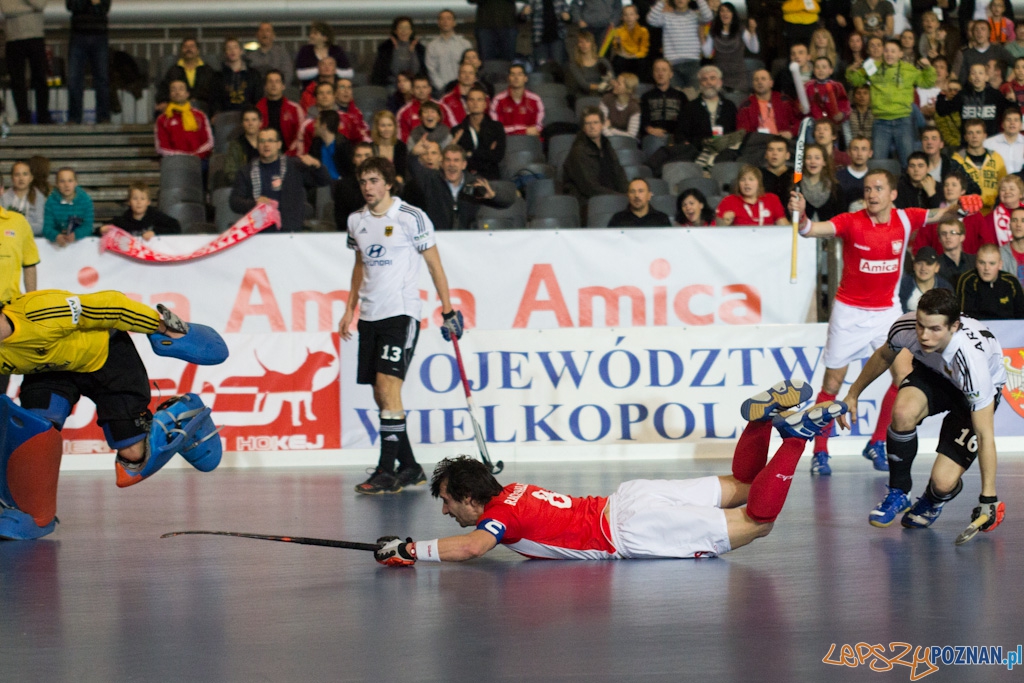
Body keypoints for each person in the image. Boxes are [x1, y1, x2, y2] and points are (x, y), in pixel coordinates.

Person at [371, 381, 849, 565]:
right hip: (627, 500)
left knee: (758, 520)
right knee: (743, 485)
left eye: (447, 501)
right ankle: (760, 420)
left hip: (629, 530)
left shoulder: (498, 518)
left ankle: (795, 436)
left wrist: (412, 549)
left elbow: (476, 545)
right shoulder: (514, 490)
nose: (445, 509)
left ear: (468, 497)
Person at [788, 168, 978, 475]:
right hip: (849, 312)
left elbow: (942, 213)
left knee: (903, 378)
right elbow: (812, 230)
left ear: (892, 194)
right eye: (867, 189)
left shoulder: (906, 218)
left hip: (886, 312)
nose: (871, 194)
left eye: (878, 188)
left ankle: (876, 442)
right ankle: (820, 450)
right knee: (832, 384)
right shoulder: (851, 221)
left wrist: (962, 209)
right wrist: (802, 216)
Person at [0, 290, 224, 539]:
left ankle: (181, 414)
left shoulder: (37, 311)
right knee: (33, 432)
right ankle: (33, 516)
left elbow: (113, 306)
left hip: (107, 358)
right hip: (49, 372)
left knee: (133, 458)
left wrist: (167, 328)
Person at [338, 156, 462, 494]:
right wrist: (350, 309)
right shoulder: (356, 221)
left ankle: (385, 470)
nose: (368, 187)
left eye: (374, 180)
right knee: (380, 394)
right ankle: (409, 467)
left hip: (401, 313)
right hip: (370, 315)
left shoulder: (410, 216)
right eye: (363, 181)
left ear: (389, 183)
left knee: (388, 387)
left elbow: (435, 266)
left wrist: (448, 310)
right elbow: (359, 265)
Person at [838, 288, 1007, 531]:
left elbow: (984, 435)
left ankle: (933, 500)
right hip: (934, 373)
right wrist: (853, 393)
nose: (924, 336)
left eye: (935, 329)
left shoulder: (972, 364)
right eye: (921, 326)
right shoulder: (906, 326)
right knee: (902, 412)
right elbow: (884, 356)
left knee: (943, 482)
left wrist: (988, 497)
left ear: (954, 327)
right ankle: (898, 492)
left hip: (971, 392)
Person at [847, 40, 936, 167]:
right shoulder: (873, 67)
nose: (889, 54)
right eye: (887, 51)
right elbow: (855, 81)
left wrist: (928, 68)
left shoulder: (908, 69)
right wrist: (852, 70)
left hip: (903, 120)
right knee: (878, 163)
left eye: (893, 51)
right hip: (880, 122)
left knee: (908, 162)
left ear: (900, 53)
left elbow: (927, 82)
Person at [229, 128, 330, 232]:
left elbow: (323, 181)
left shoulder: (295, 166)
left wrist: (317, 166)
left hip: (291, 232)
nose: (266, 145)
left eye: (270, 141)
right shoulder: (246, 171)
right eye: (262, 141)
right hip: (258, 232)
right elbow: (234, 202)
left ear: (279, 145)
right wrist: (254, 204)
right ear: (257, 145)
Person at [406, 143, 516, 231]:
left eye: (456, 160)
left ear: (464, 164)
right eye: (448, 160)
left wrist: (493, 195)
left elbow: (509, 200)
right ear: (442, 163)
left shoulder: (474, 183)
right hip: (438, 240)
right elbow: (414, 168)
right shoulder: (431, 180)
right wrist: (413, 154)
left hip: (466, 243)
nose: (452, 164)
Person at [563, 107, 629, 211]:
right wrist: (620, 196)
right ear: (583, 127)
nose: (592, 126)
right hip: (588, 203)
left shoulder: (606, 144)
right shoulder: (578, 151)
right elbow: (589, 187)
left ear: (602, 125)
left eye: (595, 122)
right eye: (588, 123)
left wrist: (629, 192)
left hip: (610, 197)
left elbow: (618, 172)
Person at [1, 0, 51, 124]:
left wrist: (20, 5)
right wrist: (31, 8)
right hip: (13, 38)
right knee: (17, 80)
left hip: (36, 36)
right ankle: (23, 116)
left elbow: (41, 5)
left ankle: (43, 116)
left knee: (40, 78)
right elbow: (7, 10)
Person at [646, 0, 714, 89]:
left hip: (692, 62)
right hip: (671, 64)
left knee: (693, 97)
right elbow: (651, 20)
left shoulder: (696, 15)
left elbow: (708, 17)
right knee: (675, 98)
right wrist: (661, 2)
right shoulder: (666, 16)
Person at [937, 62, 1012, 138]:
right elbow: (942, 111)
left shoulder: (995, 95)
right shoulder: (962, 95)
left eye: (980, 73)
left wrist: (1012, 101)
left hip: (990, 142)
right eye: (973, 73)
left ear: (986, 77)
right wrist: (942, 94)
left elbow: (1010, 112)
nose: (977, 76)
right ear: (969, 77)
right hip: (968, 142)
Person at [66, 0, 111, 124]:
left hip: (99, 35)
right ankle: (74, 117)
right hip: (78, 34)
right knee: (74, 79)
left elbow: (104, 8)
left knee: (102, 79)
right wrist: (91, 2)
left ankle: (103, 117)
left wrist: (90, 4)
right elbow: (71, 6)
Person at [953, 118, 1007, 213]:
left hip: (993, 212)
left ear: (985, 136)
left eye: (978, 132)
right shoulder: (957, 160)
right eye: (970, 133)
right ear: (965, 137)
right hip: (967, 212)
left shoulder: (997, 158)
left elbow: (1004, 184)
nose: (974, 136)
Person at [702, 3, 759, 94]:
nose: (725, 14)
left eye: (728, 11)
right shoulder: (714, 30)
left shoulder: (740, 29)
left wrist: (752, 32)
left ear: (733, 14)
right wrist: (702, 37)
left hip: (739, 77)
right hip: (719, 78)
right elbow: (706, 53)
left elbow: (754, 49)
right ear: (719, 14)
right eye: (722, 11)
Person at [451, 86, 506, 180]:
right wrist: (487, 152)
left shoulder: (497, 127)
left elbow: (497, 156)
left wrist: (469, 153)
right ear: (466, 104)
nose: (475, 103)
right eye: (471, 100)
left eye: (479, 100)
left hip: (491, 176)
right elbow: (460, 158)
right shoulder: (457, 130)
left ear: (485, 104)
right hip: (465, 177)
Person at [957, 242, 1024, 317]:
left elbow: (1021, 315)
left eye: (992, 263)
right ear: (976, 263)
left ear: (1000, 265)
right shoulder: (968, 280)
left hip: (1010, 327)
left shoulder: (1011, 282)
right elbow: (964, 317)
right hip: (978, 327)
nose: (986, 268)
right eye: (982, 263)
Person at [154, 80, 214, 160]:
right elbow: (161, 147)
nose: (177, 92)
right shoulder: (162, 119)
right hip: (174, 162)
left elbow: (208, 142)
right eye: (173, 89)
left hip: (199, 160)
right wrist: (181, 157)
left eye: (181, 89)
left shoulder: (200, 116)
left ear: (187, 94)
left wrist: (194, 156)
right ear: (170, 95)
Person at [100, 182, 181, 239]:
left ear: (148, 202)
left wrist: (155, 232)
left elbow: (176, 227)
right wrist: (102, 230)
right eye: (135, 198)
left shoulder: (156, 216)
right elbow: (100, 230)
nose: (139, 202)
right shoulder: (123, 220)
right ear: (129, 202)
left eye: (142, 199)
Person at [737, 70, 802, 140]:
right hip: (758, 144)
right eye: (756, 80)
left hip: (782, 142)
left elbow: (798, 122)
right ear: (753, 84)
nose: (759, 82)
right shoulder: (746, 106)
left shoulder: (784, 100)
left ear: (771, 83)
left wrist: (791, 133)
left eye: (763, 79)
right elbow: (742, 131)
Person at [157, 38, 215, 114]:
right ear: (181, 50)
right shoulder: (173, 70)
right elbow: (164, 89)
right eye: (185, 47)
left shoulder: (207, 70)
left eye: (192, 46)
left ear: (198, 51)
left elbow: (213, 91)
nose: (188, 49)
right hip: (178, 106)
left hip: (203, 107)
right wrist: (163, 101)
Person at [717, 165, 788, 227]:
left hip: (767, 240)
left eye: (751, 179)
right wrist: (724, 222)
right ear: (738, 183)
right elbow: (716, 227)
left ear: (759, 183)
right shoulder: (729, 201)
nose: (747, 183)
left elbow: (784, 227)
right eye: (742, 180)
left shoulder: (772, 199)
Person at [919, 125, 981, 194]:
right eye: (925, 139)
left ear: (941, 144)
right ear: (922, 144)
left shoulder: (953, 166)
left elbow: (975, 189)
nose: (929, 142)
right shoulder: (914, 166)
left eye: (934, 138)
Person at [256, 70, 305, 155]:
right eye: (270, 81)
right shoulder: (257, 109)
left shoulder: (294, 109)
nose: (273, 85)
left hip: (290, 155)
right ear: (265, 86)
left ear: (283, 86)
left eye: (277, 81)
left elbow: (300, 135)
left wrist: (289, 154)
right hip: (263, 154)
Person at [398, 75, 457, 143]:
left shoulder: (442, 107)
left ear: (430, 89)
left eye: (424, 87)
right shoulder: (404, 112)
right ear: (412, 90)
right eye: (418, 88)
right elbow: (403, 139)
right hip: (416, 149)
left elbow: (451, 130)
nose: (421, 91)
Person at [640, 59, 689, 140]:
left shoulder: (681, 96)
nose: (660, 74)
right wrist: (650, 129)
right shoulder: (646, 97)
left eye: (664, 70)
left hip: (675, 138)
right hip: (652, 136)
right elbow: (643, 120)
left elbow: (686, 121)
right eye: (657, 70)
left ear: (671, 74)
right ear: (653, 74)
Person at [490, 65, 545, 137]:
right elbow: (497, 129)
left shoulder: (536, 100)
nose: (516, 78)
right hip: (506, 141)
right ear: (508, 78)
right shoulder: (498, 100)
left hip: (530, 142)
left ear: (525, 78)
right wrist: (524, 131)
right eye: (513, 75)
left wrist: (514, 130)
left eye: (520, 74)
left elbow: (538, 128)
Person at [294, 22, 353, 89]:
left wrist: (332, 70)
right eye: (311, 33)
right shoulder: (305, 50)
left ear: (325, 37)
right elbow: (300, 74)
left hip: (335, 89)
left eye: (315, 33)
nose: (311, 36)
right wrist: (322, 70)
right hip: (310, 90)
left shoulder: (336, 50)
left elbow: (349, 73)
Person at [425, 10, 473, 92]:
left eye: (448, 18)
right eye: (442, 19)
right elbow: (431, 70)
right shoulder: (431, 46)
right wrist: (442, 87)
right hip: (440, 90)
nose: (445, 21)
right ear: (438, 23)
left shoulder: (465, 44)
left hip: (463, 89)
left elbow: (470, 66)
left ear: (454, 22)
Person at [371, 16, 427, 87]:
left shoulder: (419, 49)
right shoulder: (386, 48)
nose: (404, 31)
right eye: (400, 28)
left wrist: (412, 52)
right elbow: (395, 71)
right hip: (392, 85)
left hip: (413, 86)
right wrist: (396, 51)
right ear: (395, 31)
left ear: (411, 31)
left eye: (406, 28)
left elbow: (415, 72)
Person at [43, 168, 93, 246]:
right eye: (62, 181)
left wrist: (76, 235)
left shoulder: (86, 200)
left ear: (76, 183)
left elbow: (88, 226)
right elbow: (47, 227)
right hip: (56, 245)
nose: (66, 185)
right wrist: (56, 236)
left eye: (70, 181)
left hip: (81, 244)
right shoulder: (50, 202)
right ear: (56, 184)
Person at [300, 110, 353, 183]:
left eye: (317, 122)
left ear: (324, 125)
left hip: (341, 185)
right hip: (321, 184)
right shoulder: (316, 143)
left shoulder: (343, 145)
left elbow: (349, 172)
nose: (314, 125)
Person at [213, 37, 262, 114]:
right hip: (226, 116)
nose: (232, 51)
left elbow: (258, 97)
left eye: (235, 47)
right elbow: (214, 99)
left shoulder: (253, 74)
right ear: (225, 52)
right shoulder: (218, 76)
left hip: (248, 116)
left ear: (241, 51)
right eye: (229, 48)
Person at [332, 142, 374, 228]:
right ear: (353, 159)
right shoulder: (343, 186)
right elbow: (340, 217)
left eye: (367, 155)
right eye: (359, 156)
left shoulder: (382, 183)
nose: (363, 159)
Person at [797, 144, 843, 221]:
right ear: (804, 161)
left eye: (817, 158)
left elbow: (841, 217)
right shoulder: (796, 185)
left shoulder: (835, 188)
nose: (812, 161)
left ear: (824, 162)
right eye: (809, 158)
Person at [899, 246, 952, 311]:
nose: (923, 268)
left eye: (929, 264)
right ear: (914, 266)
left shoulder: (945, 288)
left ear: (937, 267)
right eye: (919, 263)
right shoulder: (903, 286)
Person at [1, 161, 46, 235]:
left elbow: (41, 226)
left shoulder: (39, 197)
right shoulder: (3, 197)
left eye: (25, 174)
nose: (21, 178)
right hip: (8, 239)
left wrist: (19, 227)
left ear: (31, 178)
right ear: (12, 178)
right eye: (17, 174)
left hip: (33, 240)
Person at [977, 174, 1024, 245]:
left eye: (1012, 189)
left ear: (1021, 194)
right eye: (1003, 189)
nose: (1007, 192)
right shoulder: (989, 219)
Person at [566, 31, 615, 98]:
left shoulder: (602, 61)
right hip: (585, 95)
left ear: (592, 44)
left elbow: (612, 78)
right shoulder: (575, 64)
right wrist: (600, 87)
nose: (584, 44)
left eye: (587, 41)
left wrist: (609, 84)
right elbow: (584, 85)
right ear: (578, 45)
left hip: (604, 93)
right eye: (581, 42)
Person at [806, 57, 851, 126]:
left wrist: (842, 114)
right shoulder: (808, 86)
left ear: (831, 70)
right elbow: (801, 105)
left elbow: (844, 103)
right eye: (817, 67)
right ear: (813, 70)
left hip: (832, 124)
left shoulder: (837, 86)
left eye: (824, 67)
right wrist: (800, 107)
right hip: (814, 124)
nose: (820, 70)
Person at [611, 4, 650, 78]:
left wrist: (634, 56)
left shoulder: (643, 31)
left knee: (642, 62)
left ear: (637, 16)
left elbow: (644, 50)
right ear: (622, 17)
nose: (629, 18)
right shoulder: (618, 31)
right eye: (626, 15)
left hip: (637, 57)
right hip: (623, 56)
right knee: (618, 61)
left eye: (631, 14)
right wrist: (624, 54)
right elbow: (617, 47)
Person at [225, 107, 262, 184]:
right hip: (245, 187)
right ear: (242, 123)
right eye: (246, 120)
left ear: (260, 123)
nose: (250, 123)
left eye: (254, 120)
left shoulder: (269, 142)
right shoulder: (235, 145)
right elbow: (230, 173)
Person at [371, 111, 409, 184]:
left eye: (389, 125)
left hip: (396, 185)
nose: (387, 129)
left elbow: (401, 174)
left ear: (394, 127)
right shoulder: (371, 147)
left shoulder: (401, 146)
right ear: (377, 127)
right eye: (383, 125)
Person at [599, 73, 641, 138]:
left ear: (628, 89)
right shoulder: (607, 99)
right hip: (606, 139)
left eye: (618, 83)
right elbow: (601, 125)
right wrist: (609, 133)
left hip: (626, 143)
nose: (614, 84)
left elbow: (631, 135)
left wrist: (611, 129)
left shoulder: (634, 107)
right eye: (616, 81)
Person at [837, 135, 873, 210]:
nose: (859, 153)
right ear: (848, 152)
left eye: (864, 149)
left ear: (870, 153)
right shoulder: (837, 177)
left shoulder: (875, 178)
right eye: (855, 149)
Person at [986, 109, 1024, 174]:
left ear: (1021, 125)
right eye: (1008, 120)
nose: (1012, 123)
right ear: (1002, 124)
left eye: (1016, 120)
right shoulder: (989, 143)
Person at [334, 79, 371, 146]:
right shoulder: (332, 114)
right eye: (342, 87)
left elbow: (365, 131)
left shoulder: (358, 113)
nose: (346, 91)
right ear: (335, 93)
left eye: (349, 87)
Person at [760, 136, 794, 201]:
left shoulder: (796, 174)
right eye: (771, 150)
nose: (774, 153)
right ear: (766, 155)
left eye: (780, 150)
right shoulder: (758, 174)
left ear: (787, 155)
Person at [1001, 205, 1024, 281]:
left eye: (1023, 220)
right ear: (1009, 225)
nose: (1018, 225)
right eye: (1014, 220)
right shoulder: (1000, 253)